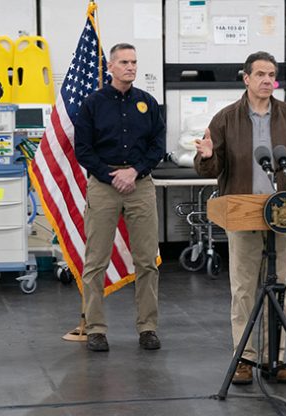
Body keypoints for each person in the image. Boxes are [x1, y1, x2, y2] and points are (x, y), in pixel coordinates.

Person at [194, 51, 286, 385]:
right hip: (243, 215)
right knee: (245, 290)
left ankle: (275, 358)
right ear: (246, 78)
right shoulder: (226, 118)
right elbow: (212, 166)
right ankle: (245, 359)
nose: (266, 80)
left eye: (271, 75)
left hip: (284, 214)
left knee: (283, 290)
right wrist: (204, 156)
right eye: (260, 74)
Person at [74, 43, 166, 352]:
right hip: (104, 184)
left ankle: (148, 327)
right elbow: (83, 149)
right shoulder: (93, 104)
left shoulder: (147, 103)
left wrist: (135, 171)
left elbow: (157, 146)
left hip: (140, 183)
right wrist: (111, 174)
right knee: (95, 260)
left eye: (134, 62)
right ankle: (96, 327)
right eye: (124, 62)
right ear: (110, 66)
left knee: (147, 261)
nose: (130, 67)